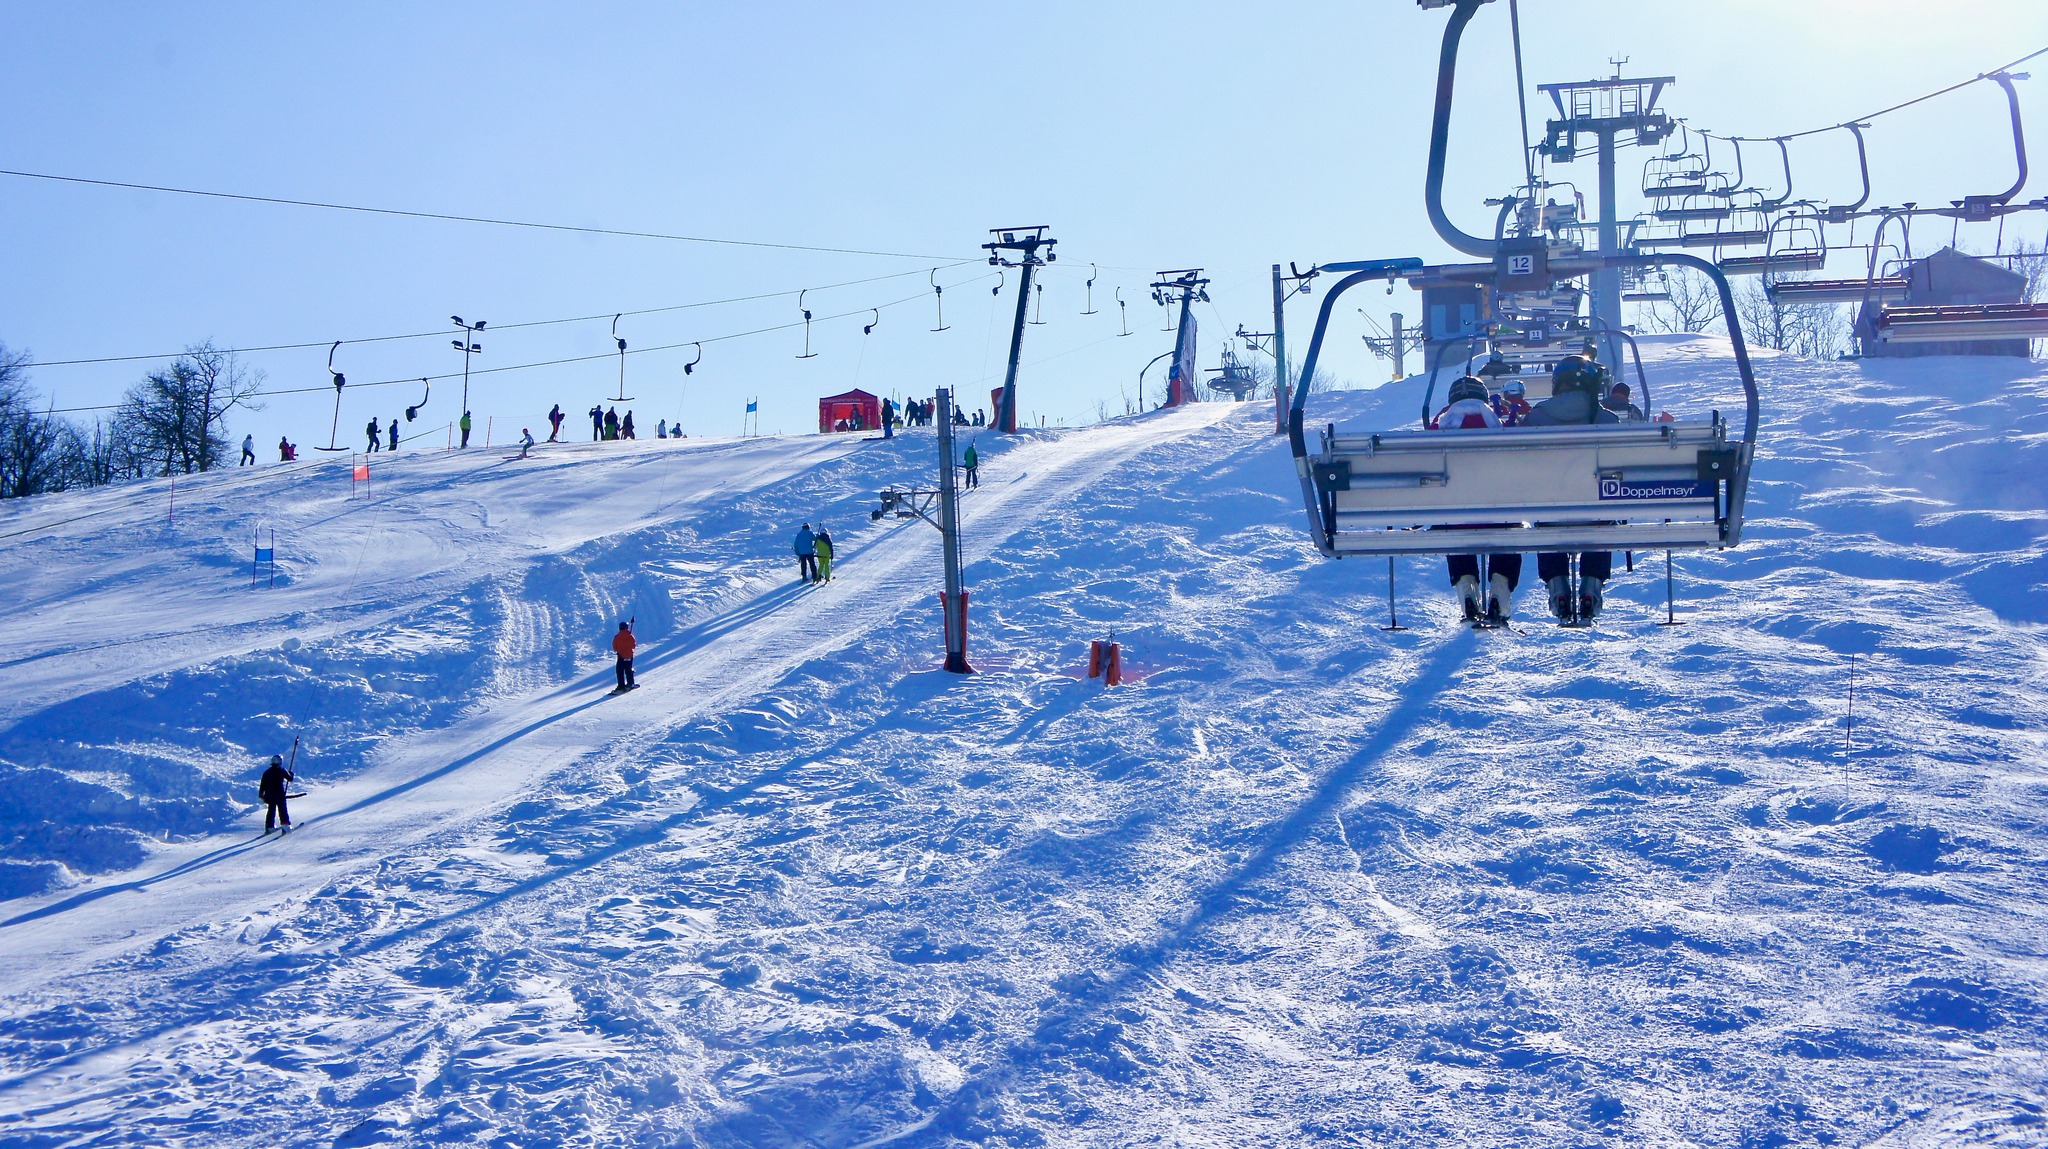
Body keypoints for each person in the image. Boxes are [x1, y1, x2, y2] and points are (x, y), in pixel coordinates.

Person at [1521, 355, 1618, 624]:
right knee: (1602, 516)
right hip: (1595, 514)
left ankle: (1557, 588)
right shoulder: (1606, 419)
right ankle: (1591, 587)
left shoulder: (1536, 417)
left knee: (1546, 514)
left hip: (1551, 513)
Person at [1431, 375, 1521, 624]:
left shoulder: (1441, 425)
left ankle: (1466, 587)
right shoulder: (1496, 422)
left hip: (1455, 515)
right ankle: (1500, 591)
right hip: (1498, 514)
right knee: (1511, 531)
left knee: (1454, 528)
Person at [258, 753, 295, 833]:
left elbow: (262, 784)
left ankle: (269, 827)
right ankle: (285, 825)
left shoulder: (267, 772)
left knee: (271, 810)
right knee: (282, 809)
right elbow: (290, 779)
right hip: (279, 795)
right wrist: (291, 774)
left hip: (269, 795)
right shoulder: (281, 770)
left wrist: (261, 794)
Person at [611, 621, 637, 692]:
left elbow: (615, 648)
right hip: (629, 656)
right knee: (629, 670)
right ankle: (630, 683)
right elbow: (634, 645)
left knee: (620, 671)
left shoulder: (617, 637)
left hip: (621, 656)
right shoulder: (631, 636)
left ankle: (621, 686)